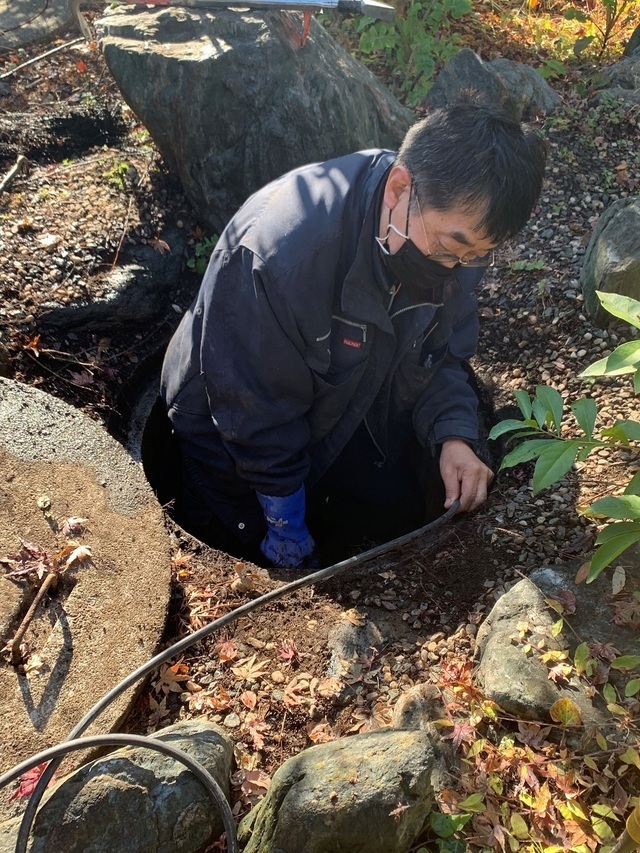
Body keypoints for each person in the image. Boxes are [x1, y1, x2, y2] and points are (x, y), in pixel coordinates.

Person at [161, 102, 546, 570]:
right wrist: (284, 520)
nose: (457, 268)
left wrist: (454, 436)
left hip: (345, 394)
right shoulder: (281, 257)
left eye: (477, 256)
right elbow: (253, 409)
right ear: (399, 187)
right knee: (233, 536)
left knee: (387, 503)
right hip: (226, 426)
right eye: (450, 248)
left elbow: (442, 358)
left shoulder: (454, 242)